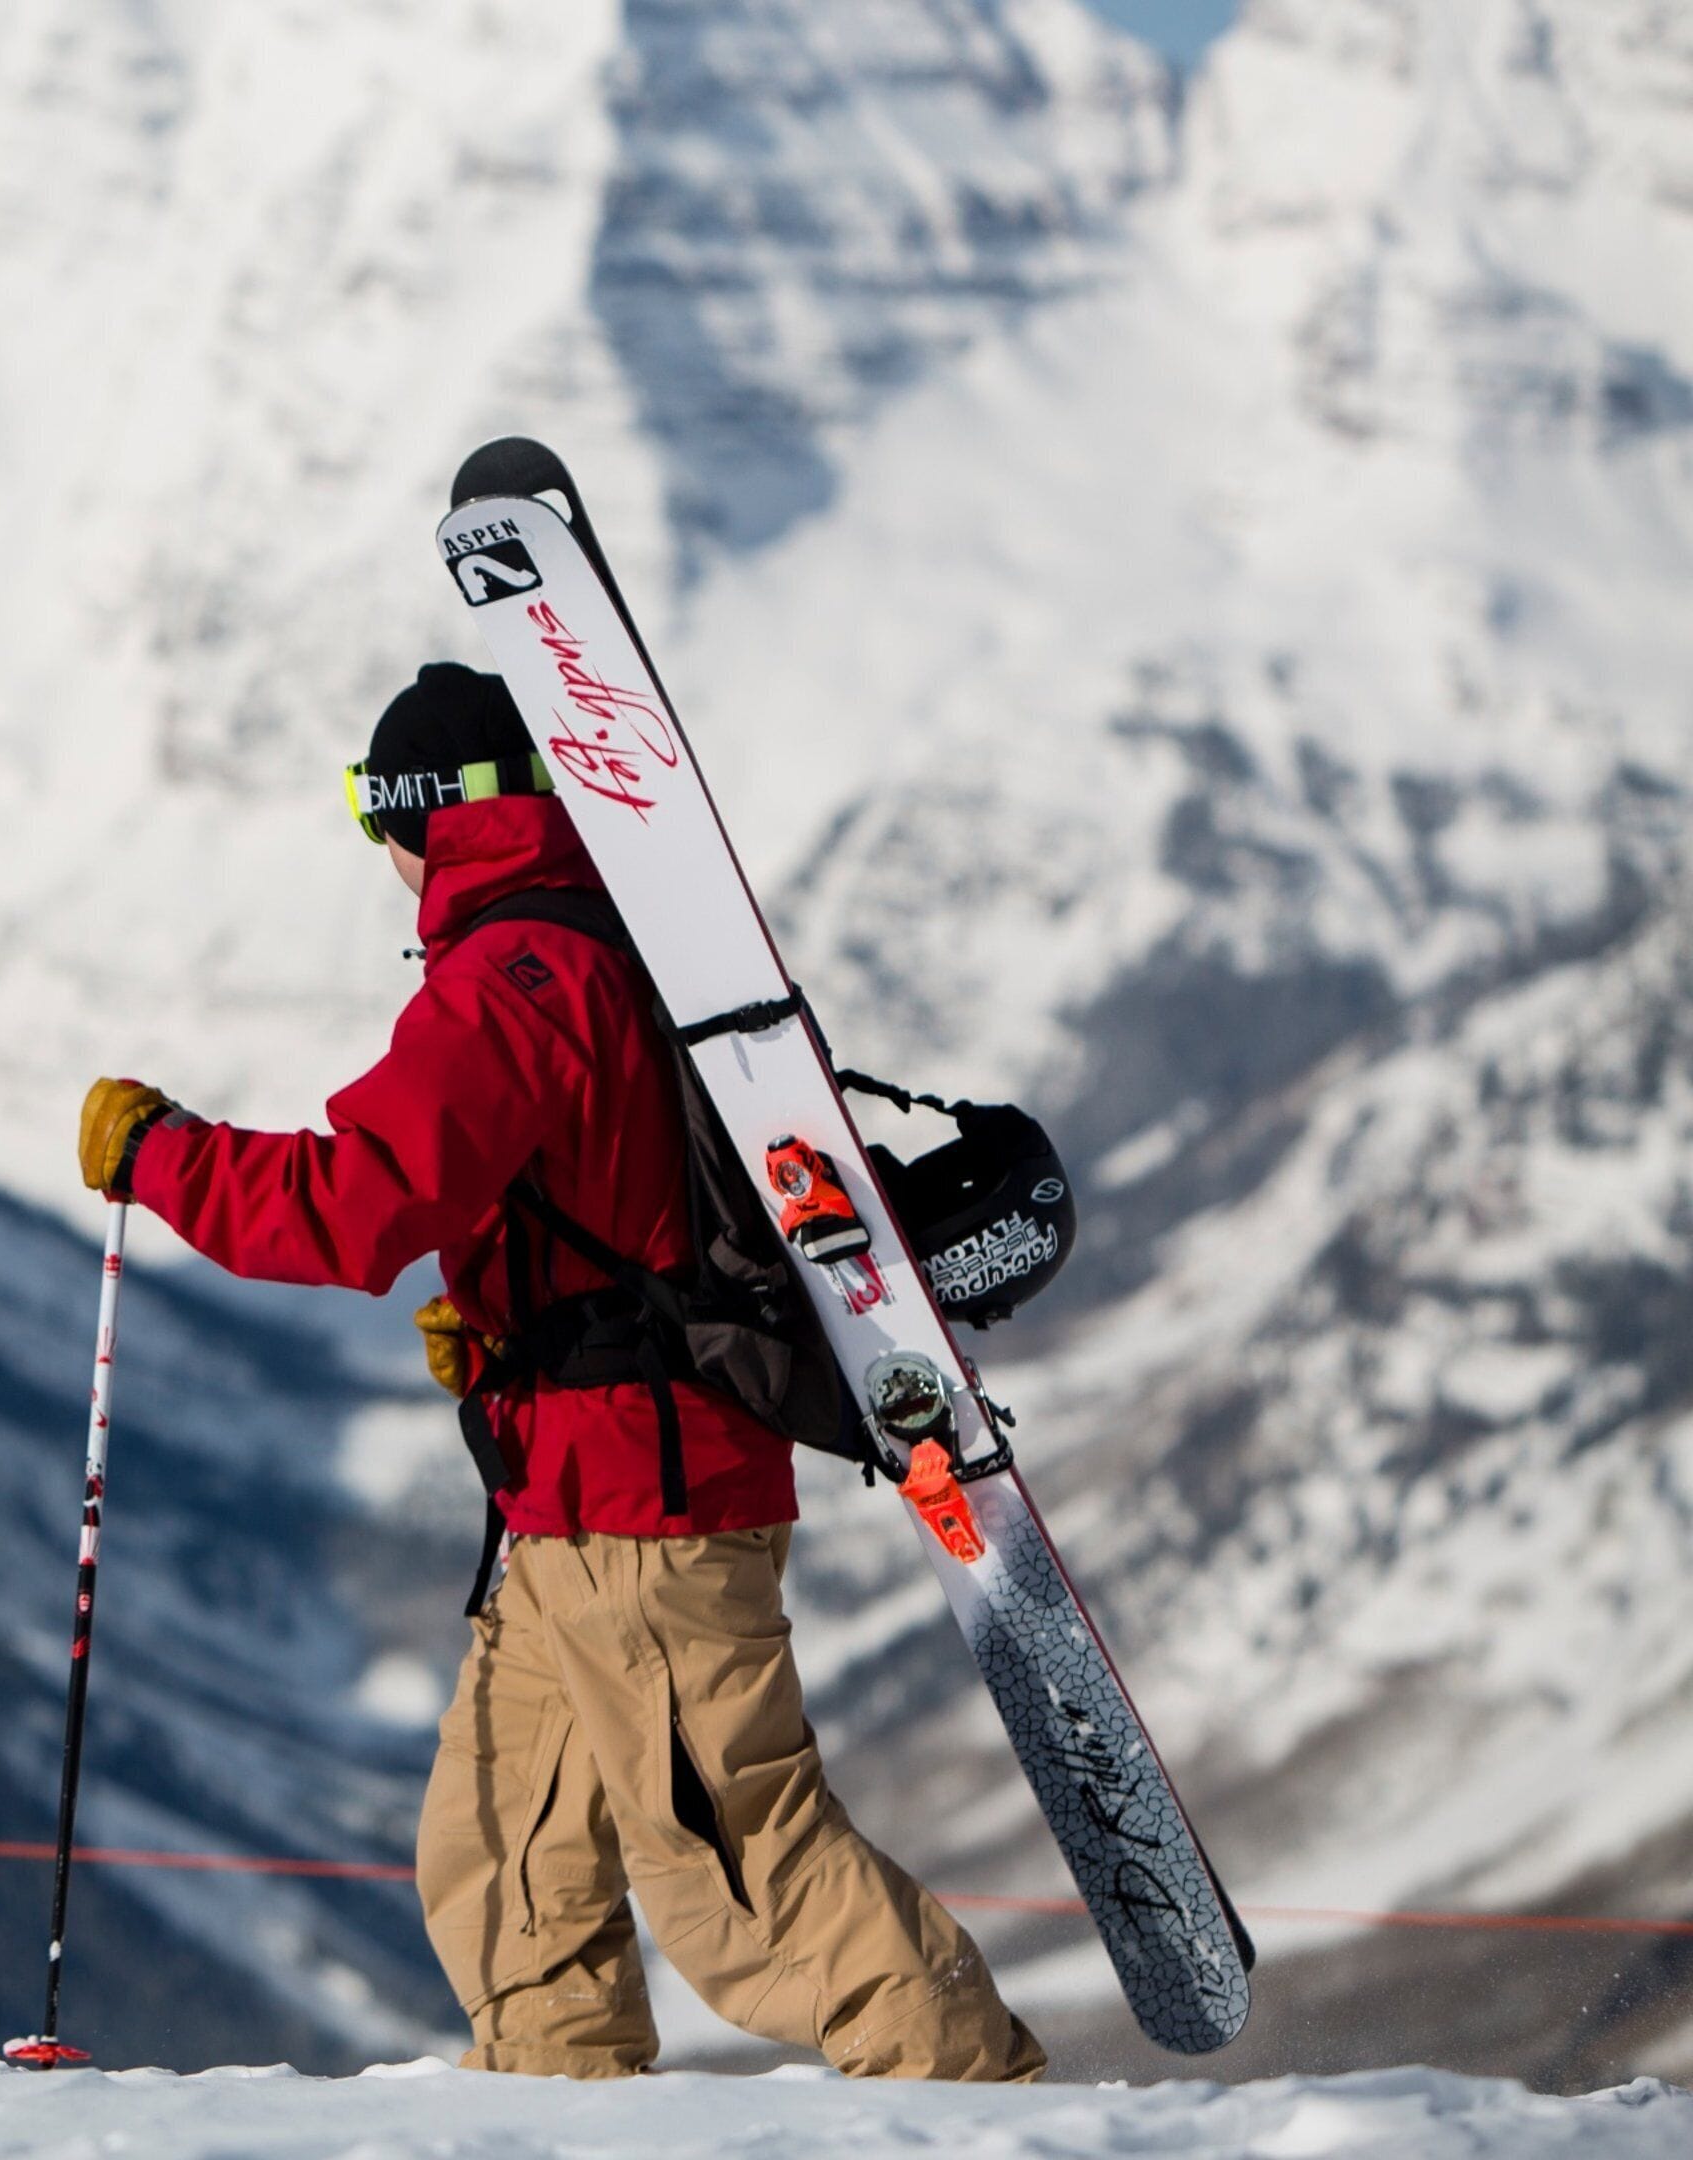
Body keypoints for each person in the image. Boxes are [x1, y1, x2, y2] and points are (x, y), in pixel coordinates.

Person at [75, 663, 1042, 2082]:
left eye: (368, 814)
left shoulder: (511, 980)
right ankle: (553, 2122)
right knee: (505, 1860)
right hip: (576, 1500)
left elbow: (353, 1210)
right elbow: (610, 1196)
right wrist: (513, 1318)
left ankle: (983, 2114)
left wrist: (161, 1156)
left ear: (416, 816)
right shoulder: (613, 937)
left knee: (747, 1896)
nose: (376, 854)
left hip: (645, 1511)